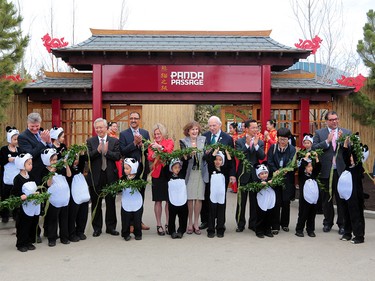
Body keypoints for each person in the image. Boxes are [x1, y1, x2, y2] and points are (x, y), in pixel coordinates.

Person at [312, 111, 351, 235]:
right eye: (332, 119)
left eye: (336, 119)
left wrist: (341, 141)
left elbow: (350, 149)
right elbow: (314, 148)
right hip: (325, 171)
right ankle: (327, 222)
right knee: (326, 199)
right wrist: (327, 142)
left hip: (340, 171)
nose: (334, 121)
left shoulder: (346, 132)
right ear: (327, 121)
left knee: (341, 199)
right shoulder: (319, 133)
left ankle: (342, 224)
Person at [86, 118, 121, 237]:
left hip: (110, 175)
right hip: (96, 176)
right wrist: (97, 150)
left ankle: (111, 227)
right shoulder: (90, 141)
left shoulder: (114, 141)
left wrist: (106, 152)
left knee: (111, 202)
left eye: (101, 127)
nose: (99, 130)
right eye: (97, 128)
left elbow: (117, 156)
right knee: (96, 202)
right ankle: (97, 228)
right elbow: (88, 157)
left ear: (106, 128)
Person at [200, 116, 236, 230]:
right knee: (206, 196)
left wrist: (232, 174)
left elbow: (232, 158)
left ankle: (220, 222)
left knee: (221, 197)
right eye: (210, 126)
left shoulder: (227, 138)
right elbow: (203, 156)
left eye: (214, 125)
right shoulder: (204, 136)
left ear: (220, 125)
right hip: (208, 172)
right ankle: (205, 220)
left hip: (222, 173)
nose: (212, 128)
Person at [119, 112, 151, 230]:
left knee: (140, 196)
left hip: (141, 170)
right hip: (129, 171)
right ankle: (130, 224)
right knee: (129, 196)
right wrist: (134, 143)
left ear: (139, 120)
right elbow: (122, 151)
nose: (133, 120)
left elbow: (148, 151)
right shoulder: (123, 134)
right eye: (131, 118)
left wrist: (142, 145)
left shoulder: (145, 133)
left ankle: (139, 221)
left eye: (135, 118)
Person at [235, 119, 265, 232]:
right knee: (241, 201)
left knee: (254, 201)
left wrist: (256, 145)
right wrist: (247, 144)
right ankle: (240, 224)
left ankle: (253, 223)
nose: (255, 130)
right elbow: (239, 155)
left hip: (255, 175)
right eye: (253, 128)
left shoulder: (260, 142)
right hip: (243, 174)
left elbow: (262, 156)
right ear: (246, 129)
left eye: (257, 127)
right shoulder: (240, 141)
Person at [179, 121, 208, 235]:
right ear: (188, 131)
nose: (195, 131)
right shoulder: (183, 141)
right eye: (192, 129)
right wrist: (189, 154)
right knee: (190, 198)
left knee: (199, 198)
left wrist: (208, 153)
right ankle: (189, 223)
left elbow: (206, 156)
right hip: (190, 173)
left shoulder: (204, 140)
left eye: (196, 129)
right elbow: (182, 157)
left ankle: (196, 223)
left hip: (201, 172)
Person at [267, 127, 296, 234]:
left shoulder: (292, 149)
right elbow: (269, 161)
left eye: (284, 139)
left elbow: (292, 163)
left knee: (285, 202)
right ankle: (275, 225)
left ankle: (284, 224)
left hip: (287, 179)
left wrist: (286, 170)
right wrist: (276, 170)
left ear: (288, 139)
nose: (282, 141)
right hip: (275, 177)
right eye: (280, 139)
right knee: (276, 201)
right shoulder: (273, 148)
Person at [41, 148, 71, 247]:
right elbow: (48, 184)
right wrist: (51, 173)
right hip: (53, 200)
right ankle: (52, 238)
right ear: (46, 160)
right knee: (53, 219)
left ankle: (64, 237)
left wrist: (66, 165)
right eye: (52, 160)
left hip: (64, 199)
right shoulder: (44, 171)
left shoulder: (60, 168)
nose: (55, 162)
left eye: (56, 159)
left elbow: (69, 175)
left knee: (64, 219)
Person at [147, 123, 174, 235]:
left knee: (168, 200)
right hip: (157, 174)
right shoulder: (151, 145)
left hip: (168, 173)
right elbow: (149, 157)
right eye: (155, 134)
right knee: (158, 200)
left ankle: (168, 224)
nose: (157, 136)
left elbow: (169, 151)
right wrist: (153, 155)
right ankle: (159, 224)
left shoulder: (169, 141)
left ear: (163, 133)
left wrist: (160, 148)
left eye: (159, 133)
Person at [338, 137, 365, 244]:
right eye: (350, 157)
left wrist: (354, 145)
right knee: (346, 213)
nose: (351, 159)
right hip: (346, 195)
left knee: (356, 214)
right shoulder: (347, 167)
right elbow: (345, 156)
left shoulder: (357, 168)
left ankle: (359, 235)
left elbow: (356, 156)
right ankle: (347, 232)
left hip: (355, 195)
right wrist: (345, 145)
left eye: (352, 157)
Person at [12, 153, 40, 252]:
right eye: (29, 164)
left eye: (31, 164)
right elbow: (14, 192)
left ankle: (29, 241)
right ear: (21, 165)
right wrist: (20, 195)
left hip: (33, 205)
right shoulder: (17, 179)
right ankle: (21, 243)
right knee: (23, 225)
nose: (31, 166)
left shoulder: (31, 176)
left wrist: (37, 192)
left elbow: (34, 187)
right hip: (24, 206)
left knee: (32, 223)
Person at [18, 112, 53, 186]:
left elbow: (52, 153)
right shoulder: (22, 137)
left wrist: (49, 142)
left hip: (48, 171)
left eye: (37, 126)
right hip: (35, 172)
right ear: (27, 123)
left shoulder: (42, 133)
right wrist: (43, 142)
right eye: (32, 126)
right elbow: (30, 154)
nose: (34, 128)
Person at [206, 149, 232, 238]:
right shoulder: (211, 168)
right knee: (211, 212)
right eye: (216, 159)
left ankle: (220, 229)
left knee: (221, 212)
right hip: (212, 195)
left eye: (220, 160)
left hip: (221, 196)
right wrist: (214, 152)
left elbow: (230, 163)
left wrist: (227, 152)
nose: (217, 161)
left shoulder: (225, 170)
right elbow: (209, 160)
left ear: (223, 161)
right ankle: (211, 230)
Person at [295, 152, 321, 238]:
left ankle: (310, 230)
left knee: (312, 215)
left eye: (311, 166)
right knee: (303, 214)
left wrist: (316, 157)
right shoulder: (302, 176)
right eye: (308, 167)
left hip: (313, 200)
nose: (310, 168)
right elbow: (301, 166)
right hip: (304, 200)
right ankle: (299, 229)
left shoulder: (313, 175)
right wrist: (306, 157)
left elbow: (318, 168)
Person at [67, 153, 90, 242]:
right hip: (74, 194)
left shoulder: (79, 168)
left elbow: (82, 163)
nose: (76, 161)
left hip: (83, 194)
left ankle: (80, 231)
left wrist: (82, 154)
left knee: (83, 213)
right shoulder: (68, 170)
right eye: (74, 159)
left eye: (77, 159)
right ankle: (71, 233)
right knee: (73, 214)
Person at [0, 127, 20, 223]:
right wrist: (8, 160)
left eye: (17, 139)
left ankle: (16, 214)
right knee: (5, 196)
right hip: (7, 177)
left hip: (16, 177)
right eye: (14, 139)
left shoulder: (19, 150)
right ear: (9, 139)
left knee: (16, 196)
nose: (16, 141)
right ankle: (4, 215)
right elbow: (1, 161)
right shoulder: (4, 149)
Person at [121, 158, 144, 241]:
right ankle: (125, 233)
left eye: (127, 168)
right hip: (126, 201)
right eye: (124, 168)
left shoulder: (138, 178)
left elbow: (141, 167)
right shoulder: (123, 178)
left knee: (137, 218)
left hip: (136, 201)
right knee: (125, 218)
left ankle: (138, 233)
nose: (125, 170)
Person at [167, 158, 188, 239]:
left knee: (183, 216)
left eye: (179, 167)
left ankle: (181, 231)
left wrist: (186, 158)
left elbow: (185, 165)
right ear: (171, 168)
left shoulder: (182, 174)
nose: (177, 169)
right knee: (172, 217)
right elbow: (165, 167)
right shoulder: (168, 175)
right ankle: (172, 231)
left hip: (182, 199)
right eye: (175, 168)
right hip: (173, 199)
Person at [254, 164, 276, 238]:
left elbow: (276, 186)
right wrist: (260, 185)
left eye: (265, 173)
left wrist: (271, 183)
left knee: (270, 216)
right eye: (262, 174)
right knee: (261, 216)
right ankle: (259, 230)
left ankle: (268, 230)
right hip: (261, 202)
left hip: (270, 202)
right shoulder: (257, 182)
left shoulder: (271, 180)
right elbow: (255, 189)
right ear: (258, 175)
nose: (264, 175)